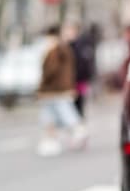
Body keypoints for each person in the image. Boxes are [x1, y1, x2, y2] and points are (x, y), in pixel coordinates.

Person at [36, 25, 88, 156]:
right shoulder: (65, 49)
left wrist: (42, 85)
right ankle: (52, 141)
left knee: (55, 115)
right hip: (61, 88)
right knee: (54, 115)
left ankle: (75, 132)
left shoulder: (53, 50)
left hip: (53, 89)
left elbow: (49, 71)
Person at [66, 22, 99, 117]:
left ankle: (78, 121)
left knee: (79, 101)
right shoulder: (67, 45)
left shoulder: (81, 45)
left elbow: (85, 63)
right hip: (70, 80)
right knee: (71, 103)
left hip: (79, 79)